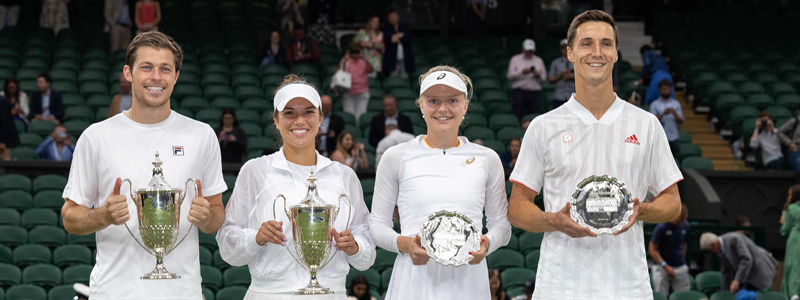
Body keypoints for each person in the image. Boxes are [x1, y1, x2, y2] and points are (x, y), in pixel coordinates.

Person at [507, 10, 683, 300]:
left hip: (627, 288)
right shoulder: (543, 126)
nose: (596, 52)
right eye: (586, 43)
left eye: (606, 43)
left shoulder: (646, 124)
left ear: (615, 53)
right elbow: (517, 208)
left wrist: (644, 210)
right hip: (559, 287)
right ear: (570, 53)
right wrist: (552, 221)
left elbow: (673, 202)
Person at [61, 32, 228, 299]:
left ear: (176, 76)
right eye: (146, 67)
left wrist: (208, 218)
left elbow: (217, 214)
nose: (156, 77)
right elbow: (69, 217)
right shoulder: (96, 136)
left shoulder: (202, 135)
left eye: (165, 69)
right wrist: (102, 216)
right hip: (114, 292)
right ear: (128, 73)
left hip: (181, 292)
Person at [216, 74, 376, 299]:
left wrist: (354, 246)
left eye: (308, 112)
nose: (299, 121)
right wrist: (256, 238)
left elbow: (367, 251)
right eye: (289, 113)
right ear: (276, 119)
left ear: (321, 117)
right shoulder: (255, 171)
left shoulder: (345, 175)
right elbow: (227, 246)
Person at [369, 66, 511, 299]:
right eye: (434, 100)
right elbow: (377, 225)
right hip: (413, 281)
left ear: (465, 106)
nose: (443, 109)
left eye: (452, 100)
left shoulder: (488, 159)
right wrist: (405, 244)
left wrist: (487, 242)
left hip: (469, 283)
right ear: (421, 105)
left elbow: (502, 226)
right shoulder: (396, 157)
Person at [700, 232, 778, 297]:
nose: (711, 253)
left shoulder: (734, 239)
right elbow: (726, 272)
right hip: (748, 275)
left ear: (713, 245)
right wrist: (723, 293)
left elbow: (746, 259)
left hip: (760, 270)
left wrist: (737, 281)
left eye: (710, 250)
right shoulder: (720, 251)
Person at [648, 204, 690, 298]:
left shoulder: (686, 226)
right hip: (662, 267)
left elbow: (684, 244)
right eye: (678, 220)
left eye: (683, 221)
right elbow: (652, 250)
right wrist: (665, 266)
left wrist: (681, 259)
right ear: (673, 215)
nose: (680, 224)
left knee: (684, 297)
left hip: (680, 267)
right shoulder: (661, 227)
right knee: (661, 296)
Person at [507, 39, 547, 120]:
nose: (529, 52)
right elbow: (509, 76)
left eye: (531, 50)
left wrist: (537, 74)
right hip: (519, 92)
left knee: (534, 116)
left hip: (534, 93)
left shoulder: (538, 60)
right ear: (523, 48)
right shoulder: (515, 59)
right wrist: (522, 72)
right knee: (517, 114)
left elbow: (544, 78)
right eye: (527, 50)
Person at [650, 79, 684, 159]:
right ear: (660, 90)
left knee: (675, 161)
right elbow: (652, 121)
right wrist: (663, 114)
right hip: (660, 138)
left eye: (668, 89)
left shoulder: (676, 104)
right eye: (664, 89)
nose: (666, 91)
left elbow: (681, 121)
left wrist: (674, 113)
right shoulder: (655, 104)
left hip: (674, 137)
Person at [340, 43, 373, 125]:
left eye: (357, 51)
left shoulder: (364, 61)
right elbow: (341, 72)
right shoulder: (345, 61)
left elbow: (370, 70)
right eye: (353, 51)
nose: (356, 53)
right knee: (349, 115)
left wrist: (364, 57)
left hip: (362, 93)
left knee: (360, 115)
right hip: (348, 92)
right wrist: (346, 59)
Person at [382, 10, 414, 78]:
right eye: (390, 17)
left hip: (405, 60)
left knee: (404, 79)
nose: (392, 18)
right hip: (392, 60)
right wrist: (400, 35)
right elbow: (389, 40)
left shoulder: (404, 27)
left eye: (393, 16)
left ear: (398, 16)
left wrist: (395, 37)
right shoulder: (387, 29)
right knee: (393, 79)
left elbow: (407, 37)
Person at [782, 185, 800, 300]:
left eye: (789, 194)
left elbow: (784, 230)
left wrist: (782, 223)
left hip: (795, 240)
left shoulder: (791, 208)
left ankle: (792, 294)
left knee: (791, 265)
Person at [548, 38, 575, 109]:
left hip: (574, 97)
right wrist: (560, 75)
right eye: (563, 47)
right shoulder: (555, 63)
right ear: (561, 49)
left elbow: (584, 79)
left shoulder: (577, 62)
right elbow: (550, 80)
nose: (566, 50)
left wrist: (571, 77)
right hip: (559, 96)